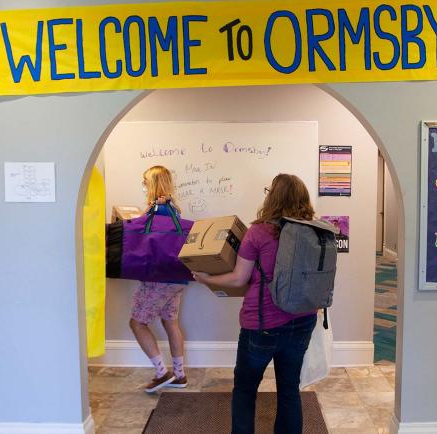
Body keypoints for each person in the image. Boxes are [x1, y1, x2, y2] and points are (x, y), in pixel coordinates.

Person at [192, 174, 318, 434]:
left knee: (246, 388)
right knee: (289, 388)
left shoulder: (259, 232)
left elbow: (239, 278)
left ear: (272, 197)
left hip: (263, 324)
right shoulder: (316, 231)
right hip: (304, 320)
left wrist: (207, 279)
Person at [129, 165, 189, 393]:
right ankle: (180, 375)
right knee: (170, 322)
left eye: (145, 182)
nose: (144, 186)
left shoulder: (158, 208)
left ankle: (161, 373)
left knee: (137, 323)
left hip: (158, 277)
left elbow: (144, 238)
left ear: (153, 183)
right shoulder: (173, 208)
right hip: (176, 276)